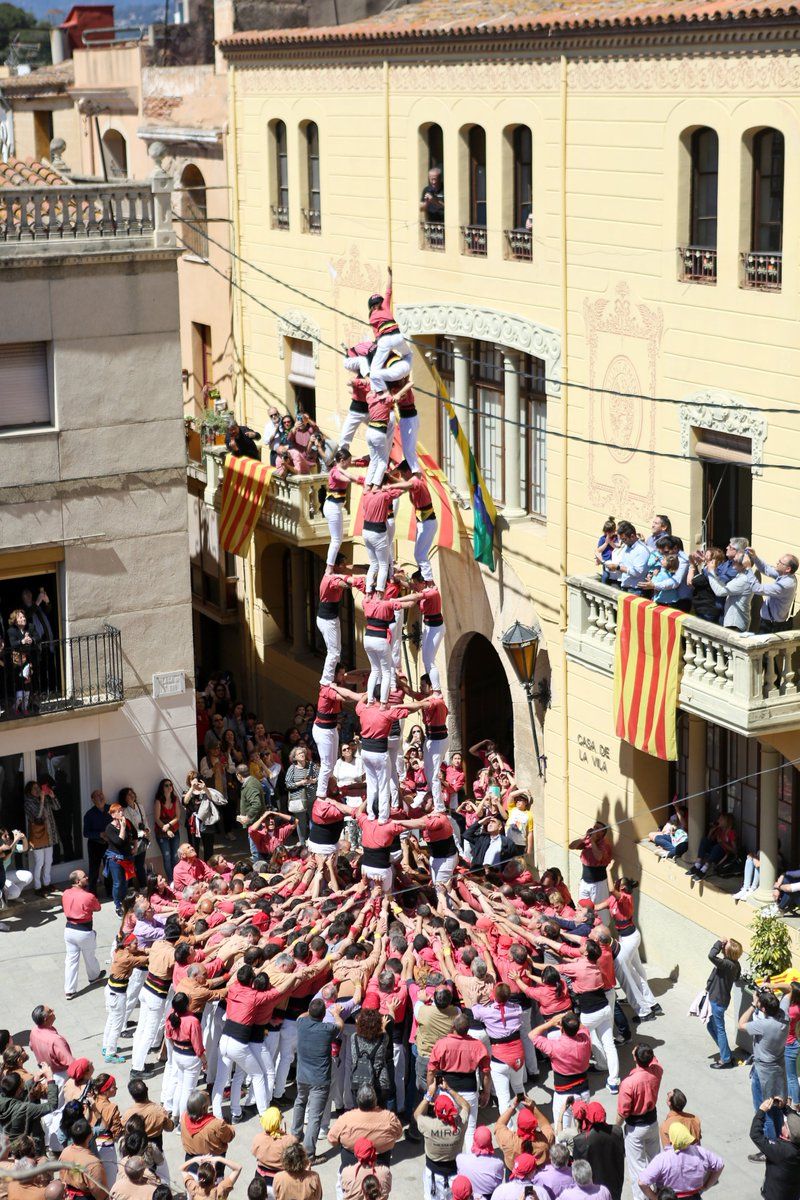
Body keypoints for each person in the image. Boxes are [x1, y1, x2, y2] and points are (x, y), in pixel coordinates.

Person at [292, 998, 345, 1155]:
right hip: (320, 1080)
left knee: (300, 1103)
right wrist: (336, 1013)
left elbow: (301, 1016)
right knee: (315, 1115)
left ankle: (295, 1136)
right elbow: (340, 1025)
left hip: (302, 1076)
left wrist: (310, 1010)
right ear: (323, 1015)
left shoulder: (301, 1024)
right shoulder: (327, 1029)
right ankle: (308, 1153)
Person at [739, 987, 789, 1143]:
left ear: (763, 1009)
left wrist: (753, 1004)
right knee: (777, 1106)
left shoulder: (763, 1025)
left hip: (762, 1071)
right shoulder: (784, 1016)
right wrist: (772, 989)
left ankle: (770, 1145)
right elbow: (789, 991)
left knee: (764, 1108)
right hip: (778, 1068)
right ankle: (780, 1139)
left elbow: (741, 1024)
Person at [616, 1044, 662, 1200]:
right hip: (652, 1123)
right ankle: (661, 1191)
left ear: (635, 1058)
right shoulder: (657, 1072)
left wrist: (616, 1128)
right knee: (656, 1159)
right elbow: (655, 1061)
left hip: (635, 1128)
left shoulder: (629, 1083)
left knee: (638, 1168)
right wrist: (643, 1052)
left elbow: (623, 1111)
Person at [414, 1083, 471, 1200]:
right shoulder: (460, 1123)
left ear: (435, 1110)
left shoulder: (428, 1125)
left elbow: (417, 1114)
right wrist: (449, 1089)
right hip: (454, 1175)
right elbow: (466, 1106)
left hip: (433, 1175)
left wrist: (429, 1094)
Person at [637, 1124, 724, 1200]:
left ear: (671, 1138)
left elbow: (642, 1183)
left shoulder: (662, 1159)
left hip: (668, 1197)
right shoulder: (700, 1152)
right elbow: (720, 1165)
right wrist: (706, 1186)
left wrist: (655, 1198)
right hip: (694, 1196)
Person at [61, 868, 104, 1000]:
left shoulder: (65, 893)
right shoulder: (88, 896)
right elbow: (98, 907)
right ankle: (93, 977)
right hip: (84, 931)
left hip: (68, 930)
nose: (87, 878)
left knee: (70, 961)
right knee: (89, 956)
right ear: (78, 881)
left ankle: (69, 990)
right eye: (85, 877)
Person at [749, 1097, 800, 1200]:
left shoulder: (782, 1151)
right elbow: (795, 1121)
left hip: (775, 1195)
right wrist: (784, 1107)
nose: (783, 1123)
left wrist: (761, 1111)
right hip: (793, 1193)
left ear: (787, 1135)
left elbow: (755, 1135)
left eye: (785, 1125)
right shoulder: (795, 1143)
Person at [571, 1102, 624, 1200]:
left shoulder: (580, 1141)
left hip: (595, 1188)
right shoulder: (617, 1131)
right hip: (615, 1181)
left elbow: (578, 1165)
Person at [0, 1063, 58, 1152]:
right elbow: (51, 1105)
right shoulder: (24, 1109)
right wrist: (50, 1079)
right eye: (22, 1082)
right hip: (29, 1149)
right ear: (18, 1089)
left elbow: (19, 1094)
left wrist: (34, 1079)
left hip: (10, 1147)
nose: (24, 1082)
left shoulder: (4, 1097)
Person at [704, 936, 742, 1069]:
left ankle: (726, 1059)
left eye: (725, 946)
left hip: (717, 1001)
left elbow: (711, 955)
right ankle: (725, 1052)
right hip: (721, 999)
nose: (723, 946)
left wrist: (719, 943)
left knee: (719, 1029)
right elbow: (736, 978)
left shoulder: (726, 964)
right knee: (710, 1025)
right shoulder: (735, 965)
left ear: (728, 952)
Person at [747, 546, 799, 633]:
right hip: (770, 622)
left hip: (770, 626)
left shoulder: (785, 585)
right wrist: (754, 557)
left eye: (780, 562)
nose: (777, 563)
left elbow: (757, 589)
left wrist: (748, 569)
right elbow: (766, 569)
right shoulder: (786, 575)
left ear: (788, 569)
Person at [706, 550, 757, 631]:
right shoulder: (741, 575)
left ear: (743, 565)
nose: (732, 562)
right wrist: (714, 572)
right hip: (733, 622)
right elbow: (724, 586)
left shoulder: (744, 580)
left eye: (735, 560)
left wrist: (711, 572)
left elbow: (720, 591)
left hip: (735, 624)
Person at [57, 1117, 106, 1200]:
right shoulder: (93, 1163)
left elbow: (62, 1175)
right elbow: (99, 1192)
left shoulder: (65, 1152)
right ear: (90, 1136)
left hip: (68, 1195)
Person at [23, 780, 58, 896]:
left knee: (49, 861)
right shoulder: (28, 802)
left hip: (49, 834)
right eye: (34, 788)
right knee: (39, 863)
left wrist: (52, 797)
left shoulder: (46, 798)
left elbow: (57, 807)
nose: (38, 790)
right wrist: (42, 800)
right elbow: (37, 816)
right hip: (38, 836)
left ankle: (47, 884)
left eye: (38, 788)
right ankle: (38, 887)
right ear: (29, 791)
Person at [454, 1126, 504, 1199]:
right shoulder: (498, 1164)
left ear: (474, 1141)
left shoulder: (461, 1159)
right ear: (490, 1141)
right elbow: (498, 1183)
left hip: (467, 1196)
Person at [83, 790, 111, 897]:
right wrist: (100, 834)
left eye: (101, 795)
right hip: (95, 845)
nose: (100, 797)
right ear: (93, 800)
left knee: (109, 869)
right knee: (94, 870)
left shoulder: (111, 809)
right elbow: (86, 833)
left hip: (109, 844)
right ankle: (93, 894)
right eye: (97, 796)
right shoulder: (89, 814)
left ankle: (110, 892)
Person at [153, 781, 180, 883]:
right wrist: (166, 829)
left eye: (170, 785)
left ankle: (177, 878)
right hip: (161, 832)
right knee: (167, 856)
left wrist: (168, 826)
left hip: (174, 829)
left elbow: (177, 817)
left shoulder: (175, 799)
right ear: (162, 788)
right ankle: (171, 880)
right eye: (166, 785)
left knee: (175, 856)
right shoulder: (158, 801)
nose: (169, 787)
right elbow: (157, 818)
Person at [612, 521, 650, 591]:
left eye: (624, 539)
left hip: (635, 589)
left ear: (632, 536)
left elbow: (637, 572)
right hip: (625, 586)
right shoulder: (627, 546)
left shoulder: (642, 550)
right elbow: (624, 564)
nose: (623, 542)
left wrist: (618, 567)